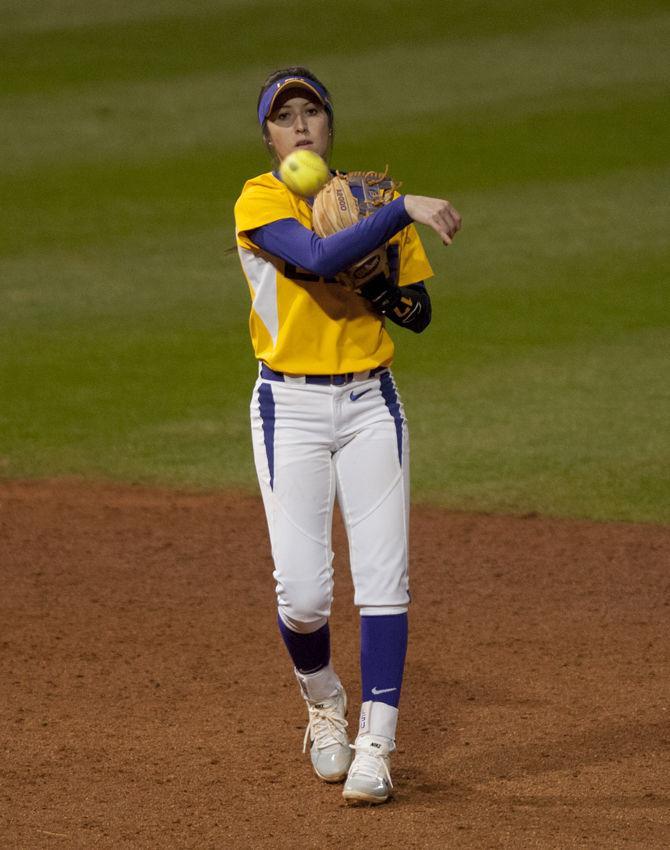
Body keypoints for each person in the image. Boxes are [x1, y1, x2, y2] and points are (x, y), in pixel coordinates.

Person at [234, 67, 461, 804]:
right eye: (285, 117)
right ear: (268, 135)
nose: (300, 126)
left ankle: (378, 743)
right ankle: (324, 699)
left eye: (312, 113)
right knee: (302, 597)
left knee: (384, 581)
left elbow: (418, 313)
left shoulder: (369, 197)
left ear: (330, 126)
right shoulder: (261, 199)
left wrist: (381, 289)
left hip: (371, 406)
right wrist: (405, 211)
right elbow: (315, 257)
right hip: (289, 409)